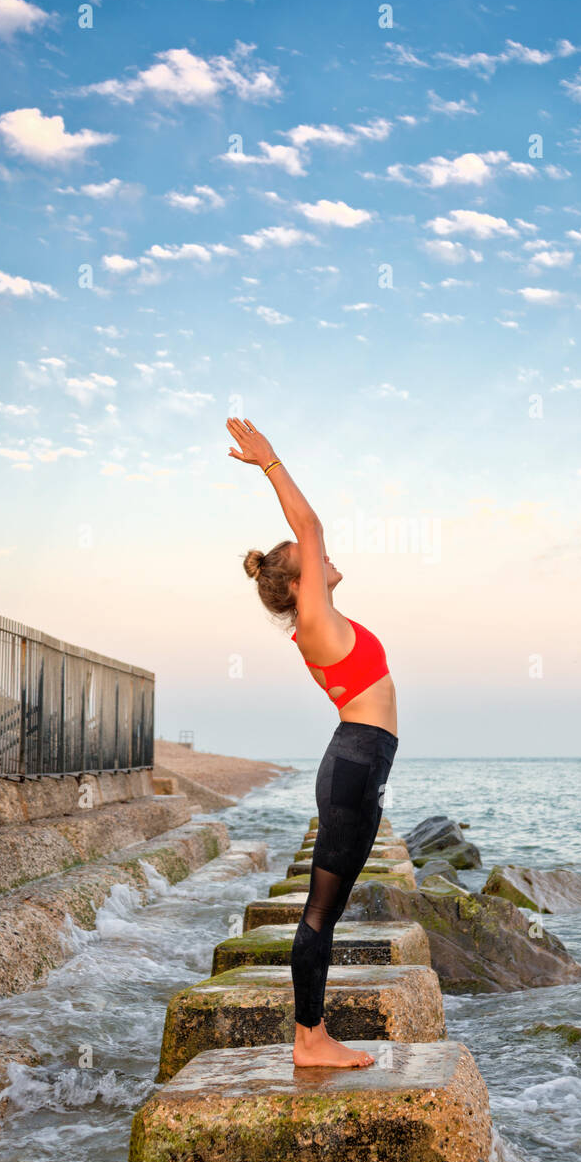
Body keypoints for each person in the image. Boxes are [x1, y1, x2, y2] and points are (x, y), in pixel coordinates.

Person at [227, 417, 398, 1067]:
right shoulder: (315, 619)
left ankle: (311, 1036)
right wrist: (271, 462)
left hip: (361, 763)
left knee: (326, 908)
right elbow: (311, 528)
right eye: (313, 560)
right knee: (321, 912)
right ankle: (309, 1040)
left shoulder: (323, 620)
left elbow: (312, 540)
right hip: (355, 761)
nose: (325, 556)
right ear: (298, 587)